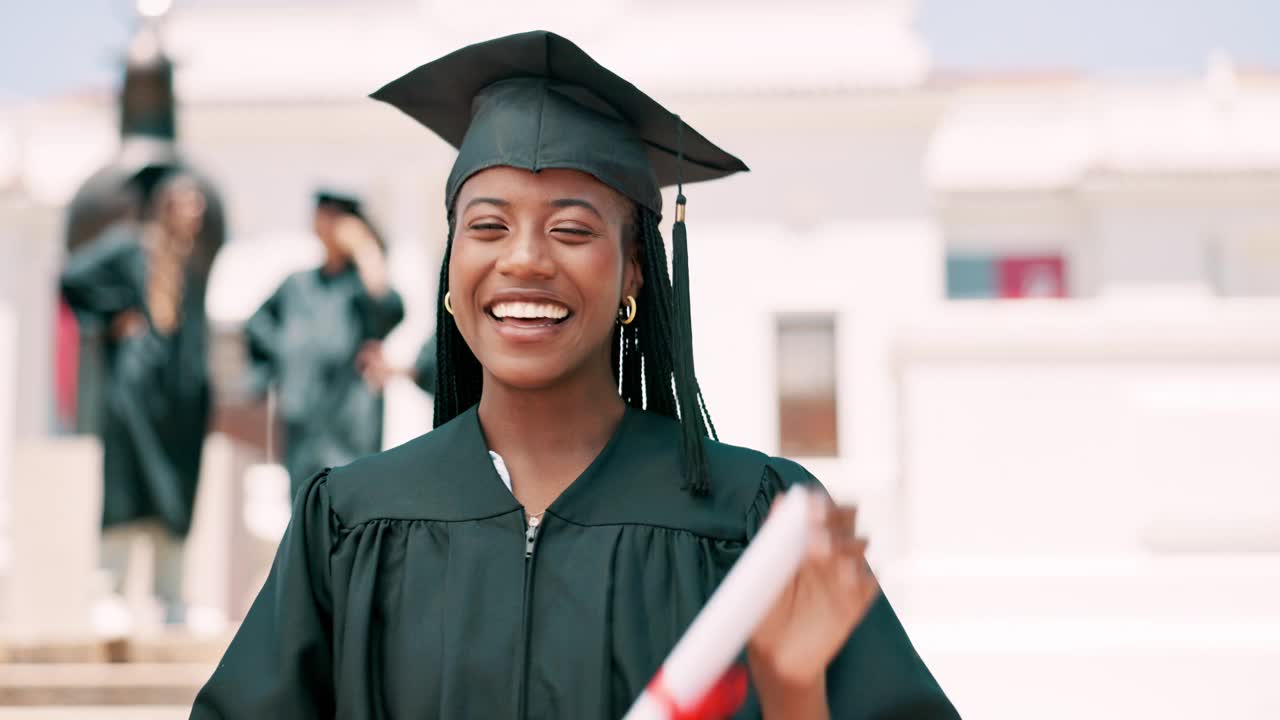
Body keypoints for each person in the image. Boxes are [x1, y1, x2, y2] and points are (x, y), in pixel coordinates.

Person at [192, 31, 958, 718]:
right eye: (488, 225)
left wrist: (796, 698)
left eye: (571, 228)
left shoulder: (755, 523)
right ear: (451, 273)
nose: (524, 259)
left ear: (633, 272)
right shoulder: (350, 523)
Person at [61, 171, 213, 627]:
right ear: (166, 205)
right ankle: (109, 595)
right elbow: (73, 277)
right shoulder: (129, 246)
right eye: (189, 203)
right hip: (132, 393)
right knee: (127, 488)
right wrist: (113, 318)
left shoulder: (187, 260)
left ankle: (170, 600)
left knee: (174, 495)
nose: (197, 214)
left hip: (177, 400)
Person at [243, 190, 405, 498]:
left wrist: (365, 248)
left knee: (351, 521)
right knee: (304, 516)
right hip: (303, 424)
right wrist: (288, 357)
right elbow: (257, 328)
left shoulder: (362, 286)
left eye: (337, 217)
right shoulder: (296, 285)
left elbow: (391, 310)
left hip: (350, 428)